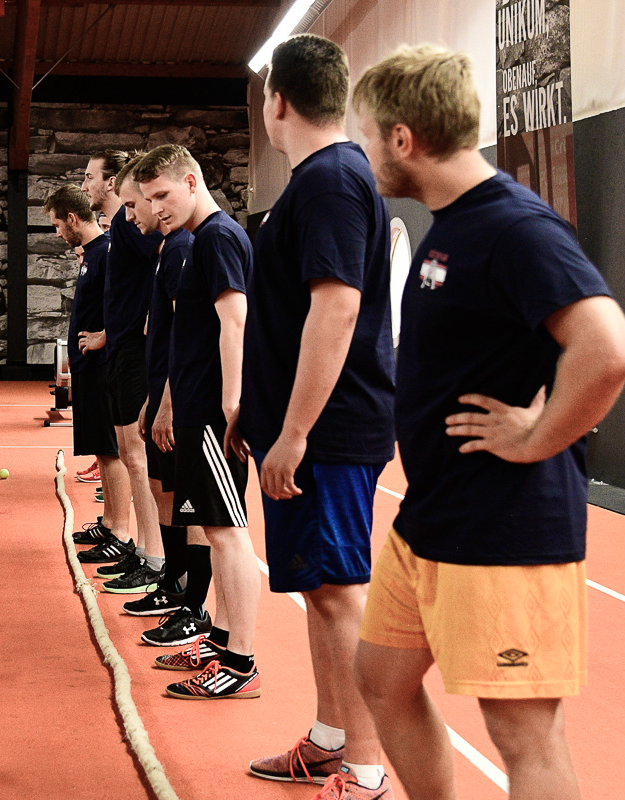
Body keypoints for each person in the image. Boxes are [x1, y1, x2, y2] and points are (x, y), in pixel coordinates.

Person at [350, 45, 625, 800]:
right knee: (380, 678)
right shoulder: (450, 225)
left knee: (523, 734)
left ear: (402, 139)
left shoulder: (514, 227)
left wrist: (537, 437)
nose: (364, 153)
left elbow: (608, 349)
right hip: (435, 515)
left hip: (505, 521)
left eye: (367, 136)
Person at [233, 34, 394, 797]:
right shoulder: (320, 180)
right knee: (320, 589)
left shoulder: (330, 181)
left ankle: (364, 768)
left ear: (278, 103)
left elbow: (335, 311)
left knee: (337, 592)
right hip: (301, 429)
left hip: (328, 433)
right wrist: (260, 418)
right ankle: (331, 738)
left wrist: (293, 432)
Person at [134, 144, 261, 701]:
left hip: (213, 412)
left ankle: (240, 661)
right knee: (213, 531)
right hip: (192, 407)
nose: (157, 207)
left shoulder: (218, 237)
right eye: (147, 199)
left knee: (229, 536)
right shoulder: (200, 241)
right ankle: (218, 642)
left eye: (163, 194)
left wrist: (232, 406)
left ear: (191, 182)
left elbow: (235, 321)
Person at [113, 154, 212, 641]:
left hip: (186, 399)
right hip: (163, 391)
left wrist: (166, 401)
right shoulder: (168, 248)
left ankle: (193, 603)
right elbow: (163, 326)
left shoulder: (183, 248)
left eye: (144, 203)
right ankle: (175, 584)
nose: (136, 214)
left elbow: (188, 334)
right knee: (164, 491)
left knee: (188, 504)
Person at [81, 150, 168, 594]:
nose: (85, 186)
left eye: (90, 177)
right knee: (131, 456)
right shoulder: (119, 228)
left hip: (137, 352)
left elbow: (161, 267)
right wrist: (107, 333)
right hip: (122, 348)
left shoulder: (134, 228)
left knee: (138, 457)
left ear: (113, 182)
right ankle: (145, 548)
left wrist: (151, 322)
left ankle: (154, 557)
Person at [46, 183, 121, 538]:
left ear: (73, 219)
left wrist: (102, 337)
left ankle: (119, 531)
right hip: (87, 366)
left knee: (111, 449)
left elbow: (123, 307)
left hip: (103, 365)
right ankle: (108, 524)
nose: (58, 233)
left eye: (58, 225)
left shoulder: (106, 252)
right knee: (101, 449)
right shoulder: (90, 253)